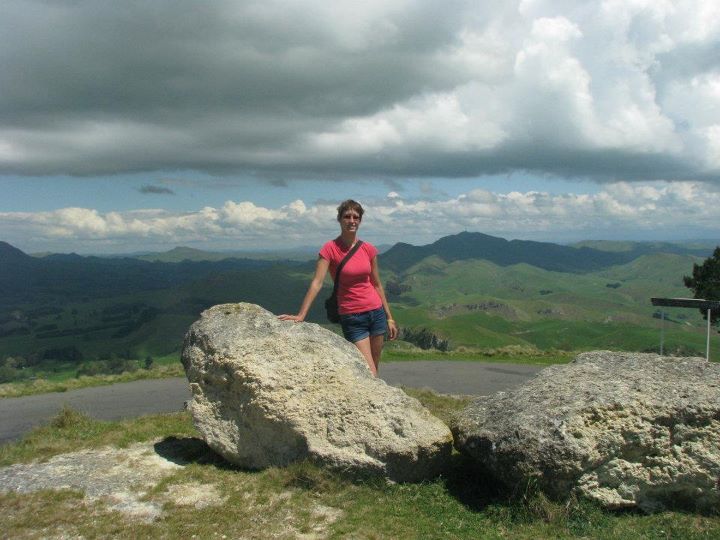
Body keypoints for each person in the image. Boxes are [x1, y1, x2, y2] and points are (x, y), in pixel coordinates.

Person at [278, 200, 398, 376]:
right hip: (352, 315)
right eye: (347, 216)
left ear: (360, 220)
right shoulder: (329, 249)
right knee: (368, 371)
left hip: (376, 312)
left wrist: (389, 318)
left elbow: (376, 284)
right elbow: (316, 283)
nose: (352, 220)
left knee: (375, 370)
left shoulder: (368, 249)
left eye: (356, 217)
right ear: (340, 219)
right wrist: (301, 314)